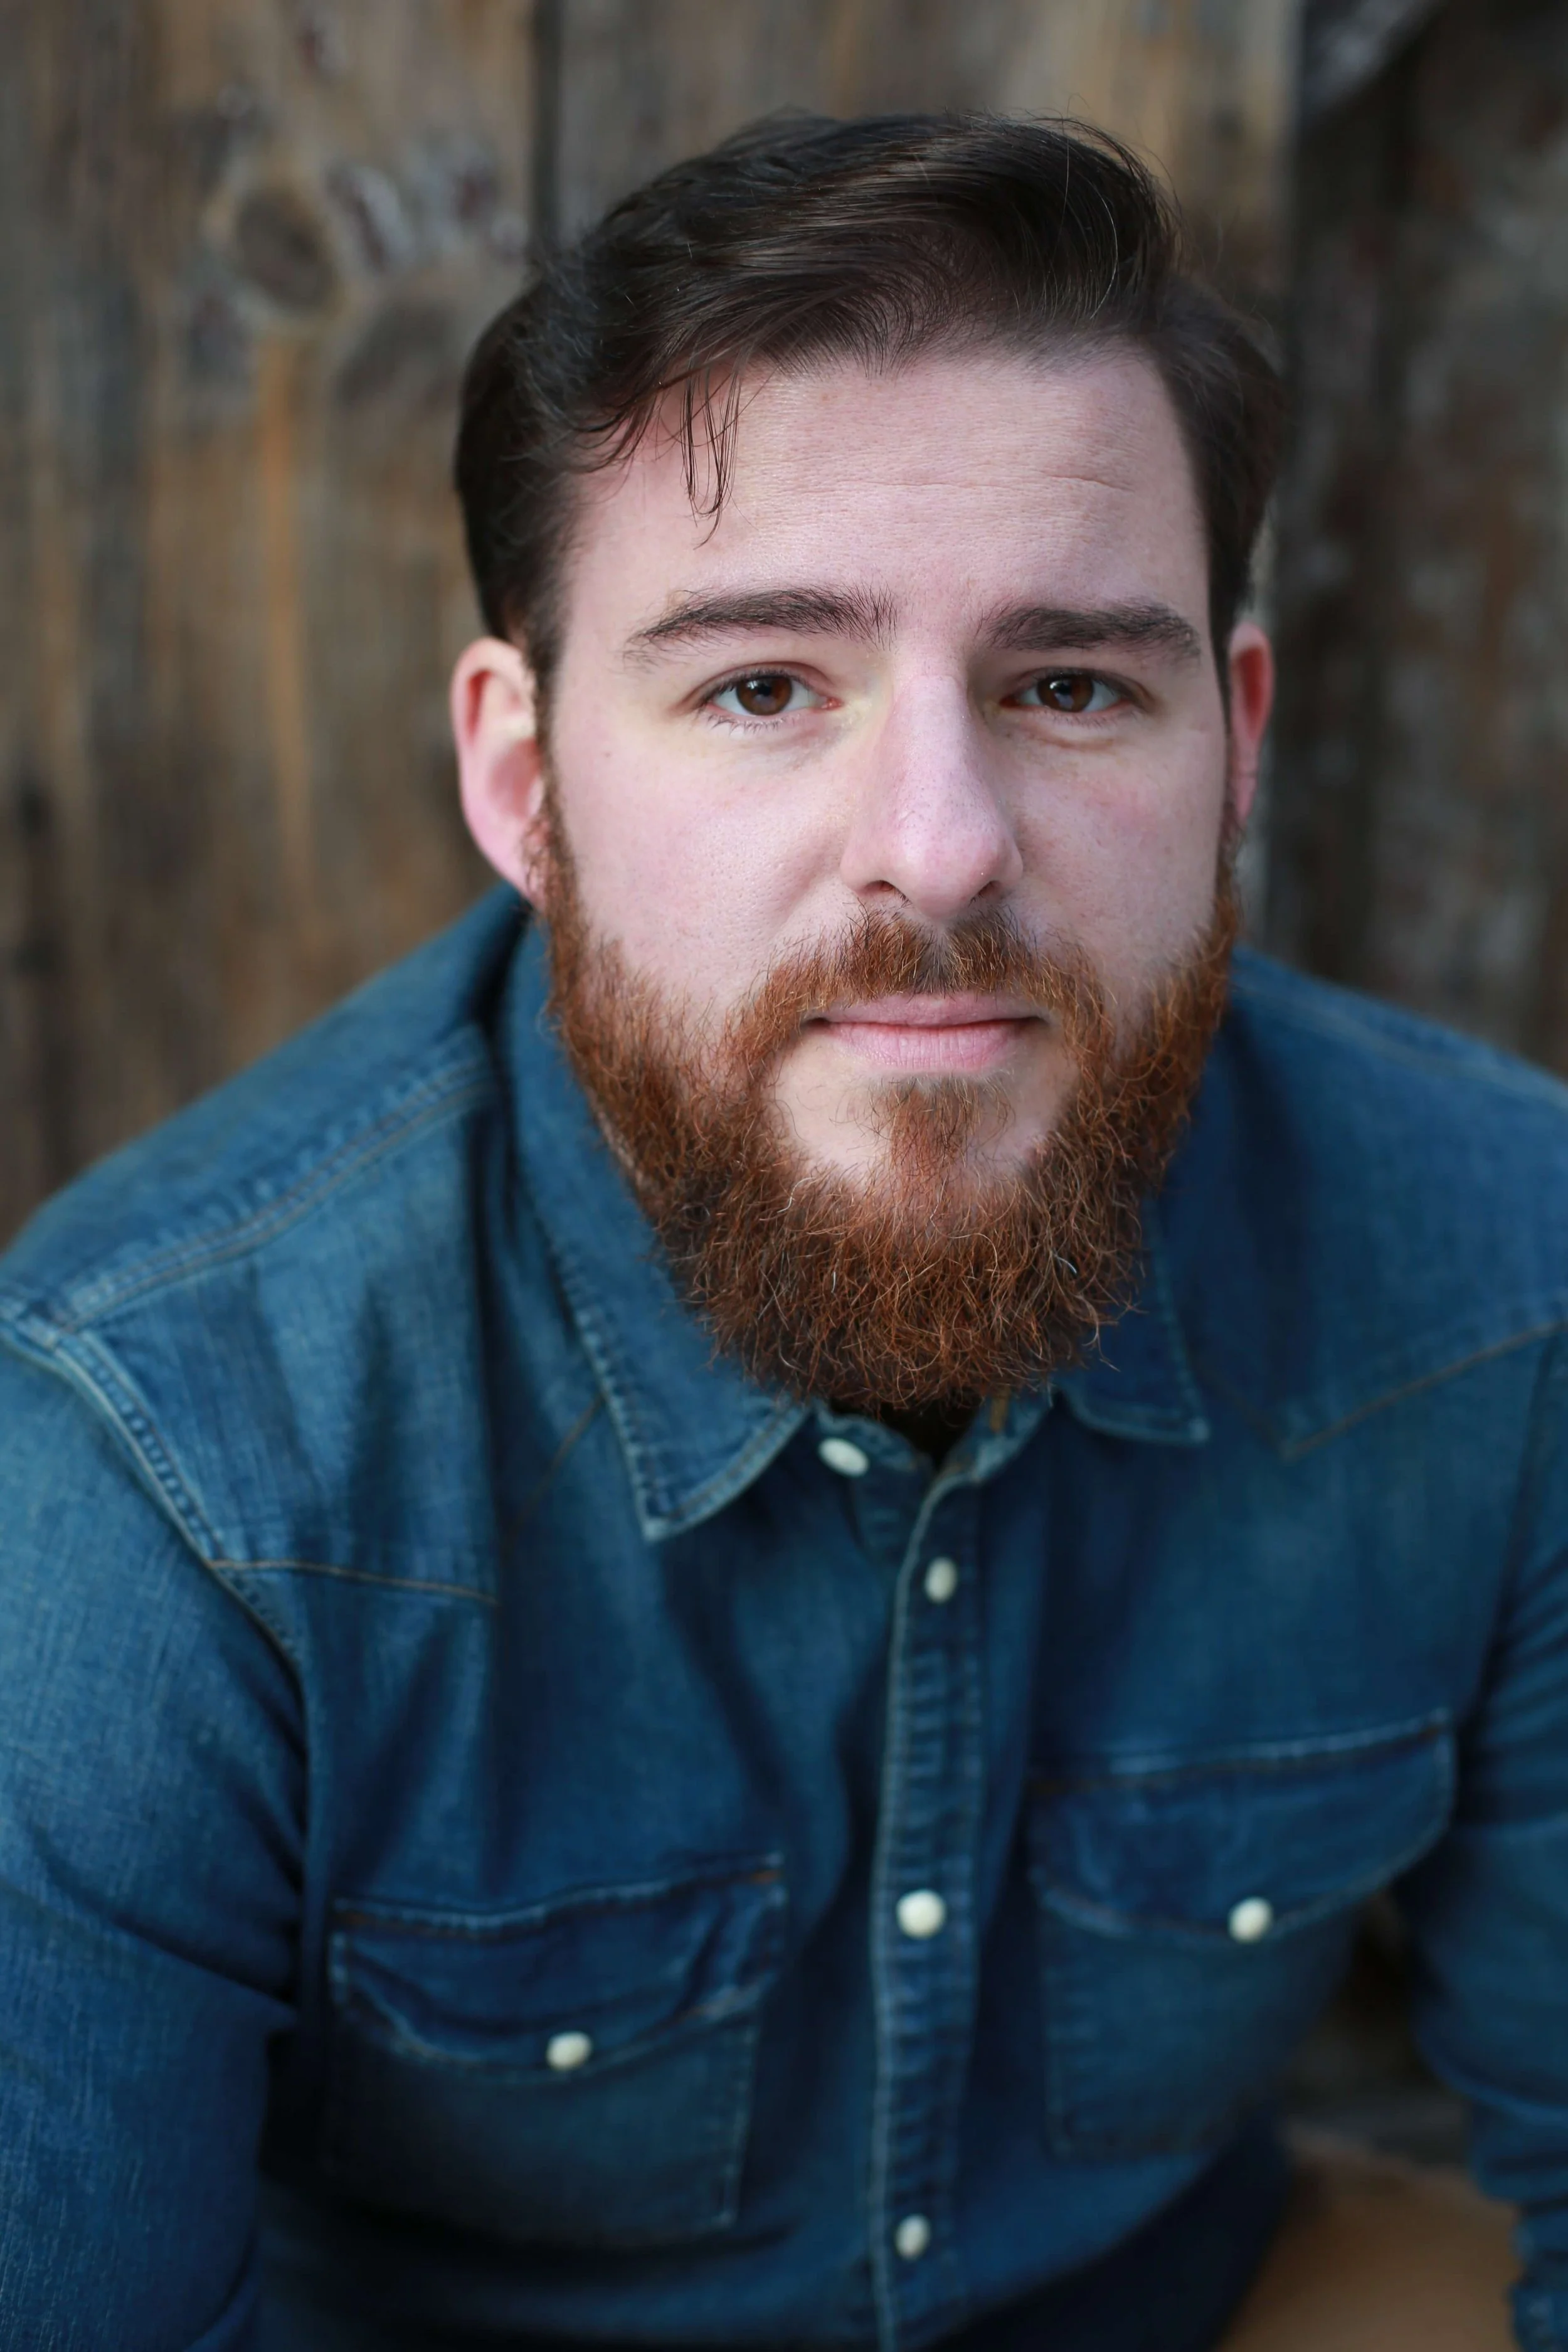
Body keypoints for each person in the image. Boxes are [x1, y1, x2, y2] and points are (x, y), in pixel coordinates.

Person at [0, 109, 1557, 2352]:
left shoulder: (1497, 1287)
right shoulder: (156, 1475)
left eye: (1066, 685)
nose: (932, 848)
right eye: (761, 686)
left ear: (1230, 738)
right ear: (524, 779)